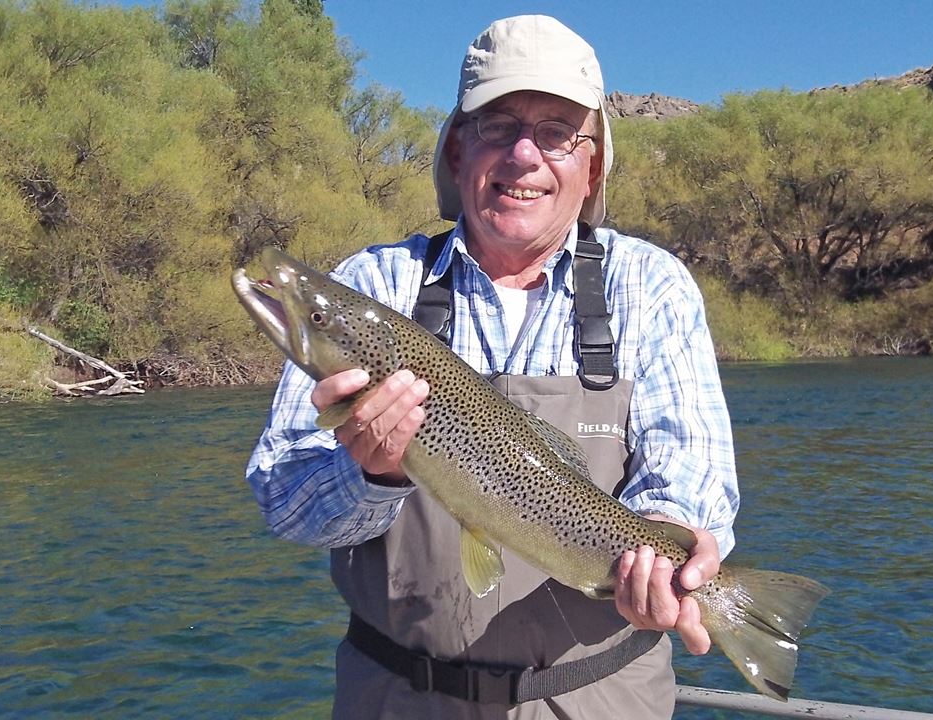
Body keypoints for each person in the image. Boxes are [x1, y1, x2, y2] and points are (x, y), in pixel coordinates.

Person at [245, 14, 738, 720]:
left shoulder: (649, 284)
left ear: (592, 162)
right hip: (398, 697)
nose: (524, 156)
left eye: (558, 133)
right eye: (498, 126)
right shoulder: (377, 283)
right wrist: (372, 474)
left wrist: (668, 544)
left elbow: (693, 471)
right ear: (456, 151)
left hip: (602, 698)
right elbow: (285, 502)